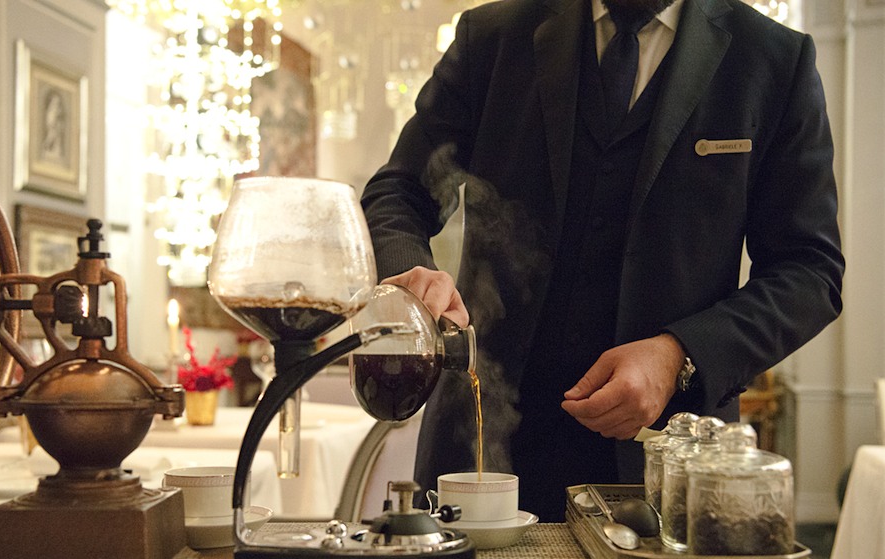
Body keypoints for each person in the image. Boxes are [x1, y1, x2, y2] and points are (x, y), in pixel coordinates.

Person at [360, 0, 845, 522]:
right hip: (479, 441)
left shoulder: (772, 58)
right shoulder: (493, 36)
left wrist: (679, 354)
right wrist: (409, 273)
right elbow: (399, 189)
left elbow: (810, 271)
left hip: (665, 464)